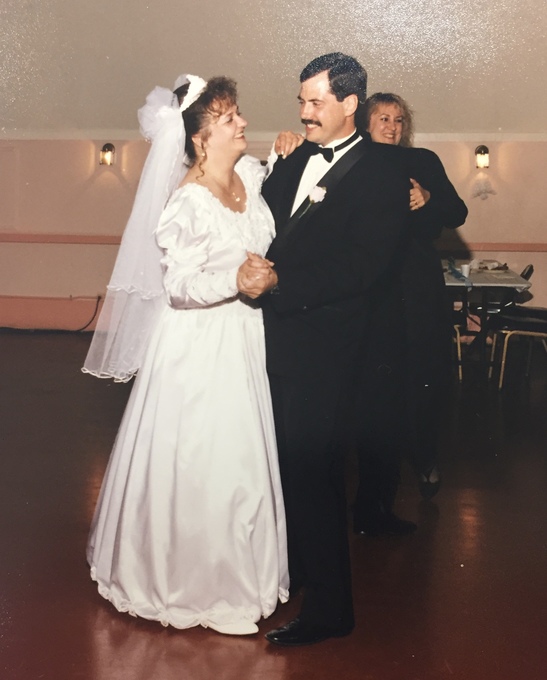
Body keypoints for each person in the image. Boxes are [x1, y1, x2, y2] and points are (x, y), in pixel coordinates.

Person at [83, 74, 290, 636]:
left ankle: (241, 577)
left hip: (245, 337)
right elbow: (178, 286)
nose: (243, 123)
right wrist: (235, 281)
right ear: (200, 138)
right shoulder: (186, 202)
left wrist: (283, 153)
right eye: (229, 118)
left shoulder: (251, 174)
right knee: (203, 458)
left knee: (242, 458)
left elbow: (266, 212)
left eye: (238, 113)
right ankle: (190, 583)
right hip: (198, 345)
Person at [237, 53, 410, 646]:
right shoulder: (294, 158)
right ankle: (297, 576)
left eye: (316, 102)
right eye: (301, 101)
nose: (305, 112)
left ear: (349, 104)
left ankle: (332, 611)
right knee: (284, 467)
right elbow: (262, 227)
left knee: (315, 473)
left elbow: (361, 268)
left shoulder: (383, 173)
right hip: (273, 340)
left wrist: (280, 284)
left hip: (328, 350)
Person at [352, 93, 468, 537]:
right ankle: (372, 497)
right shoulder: (353, 161)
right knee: (374, 393)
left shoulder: (422, 161)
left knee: (424, 381)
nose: (392, 126)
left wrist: (429, 196)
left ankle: (424, 457)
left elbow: (457, 212)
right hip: (371, 293)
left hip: (418, 290)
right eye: (383, 117)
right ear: (364, 122)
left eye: (399, 119)